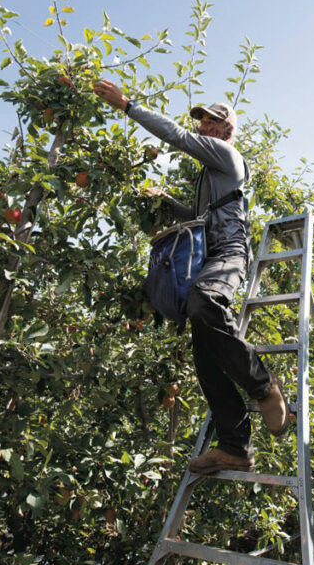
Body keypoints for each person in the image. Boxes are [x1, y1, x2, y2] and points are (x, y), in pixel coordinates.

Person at [92, 79, 289, 475]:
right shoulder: (209, 176)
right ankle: (235, 447)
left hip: (230, 252)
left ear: (225, 129)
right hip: (209, 253)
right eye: (201, 122)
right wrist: (166, 201)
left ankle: (263, 385)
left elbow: (177, 136)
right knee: (205, 357)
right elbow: (200, 218)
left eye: (209, 122)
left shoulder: (225, 154)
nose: (201, 127)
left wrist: (127, 106)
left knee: (205, 301)